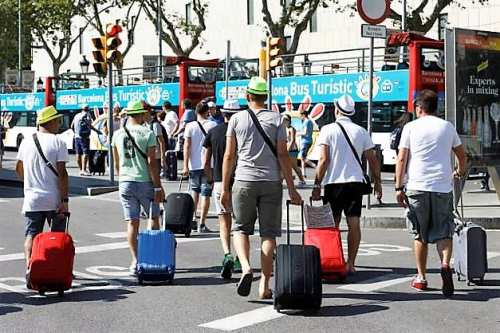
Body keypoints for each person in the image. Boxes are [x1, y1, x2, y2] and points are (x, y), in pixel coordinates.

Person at [221, 76, 302, 299]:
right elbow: (283, 155)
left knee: (240, 228)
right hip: (271, 182)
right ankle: (264, 285)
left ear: (247, 96)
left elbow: (229, 156)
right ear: (265, 97)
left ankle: (246, 267)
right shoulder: (277, 119)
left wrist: (226, 188)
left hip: (243, 180)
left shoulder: (236, 119)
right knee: (269, 235)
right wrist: (293, 190)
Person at [395, 89, 466, 298]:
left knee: (420, 233)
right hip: (443, 187)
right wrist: (459, 172)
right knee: (444, 231)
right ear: (437, 107)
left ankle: (421, 277)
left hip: (417, 186)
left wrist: (399, 187)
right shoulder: (447, 127)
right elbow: (462, 155)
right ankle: (445, 264)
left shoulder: (410, 127)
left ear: (419, 108)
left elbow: (401, 159)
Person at [311, 94, 382, 276]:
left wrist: (317, 184)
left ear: (336, 110)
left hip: (334, 184)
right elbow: (372, 159)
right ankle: (351, 263)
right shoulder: (360, 131)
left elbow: (324, 160)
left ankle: (335, 259)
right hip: (354, 183)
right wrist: (378, 181)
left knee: (333, 224)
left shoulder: (328, 130)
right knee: (354, 223)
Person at [111, 100, 165, 275]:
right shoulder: (147, 133)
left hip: (125, 181)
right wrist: (158, 186)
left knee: (132, 223)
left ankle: (135, 260)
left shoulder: (117, 135)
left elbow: (117, 162)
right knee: (153, 217)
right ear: (141, 115)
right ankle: (150, 256)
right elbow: (151, 163)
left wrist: (122, 178)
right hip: (145, 181)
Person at [15, 106, 69, 279]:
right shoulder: (58, 141)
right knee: (57, 237)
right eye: (58, 121)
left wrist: (29, 183)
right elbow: (62, 173)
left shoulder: (26, 141)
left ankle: (29, 269)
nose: (59, 124)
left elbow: (18, 167)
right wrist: (64, 200)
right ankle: (57, 268)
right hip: (53, 198)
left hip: (32, 198)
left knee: (31, 234)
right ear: (51, 121)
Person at [203, 99, 242, 279]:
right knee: (240, 223)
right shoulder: (242, 132)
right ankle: (240, 258)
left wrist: (210, 179)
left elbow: (205, 160)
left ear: (222, 113)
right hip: (240, 181)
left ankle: (227, 254)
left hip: (219, 182)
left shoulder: (213, 132)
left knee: (224, 221)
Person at [182, 101, 217, 232]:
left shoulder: (190, 126)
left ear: (196, 112)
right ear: (207, 112)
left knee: (194, 194)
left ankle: (192, 220)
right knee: (206, 195)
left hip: (193, 165)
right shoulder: (213, 125)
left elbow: (187, 146)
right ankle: (202, 224)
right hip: (209, 164)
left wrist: (185, 165)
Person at [70, 104, 102, 176]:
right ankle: (84, 170)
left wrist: (75, 133)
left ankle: (80, 169)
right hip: (85, 137)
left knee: (78, 153)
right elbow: (90, 125)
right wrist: (97, 131)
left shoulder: (76, 115)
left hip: (77, 136)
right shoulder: (87, 115)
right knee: (85, 152)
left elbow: (71, 126)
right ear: (88, 109)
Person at [283, 113, 306, 188]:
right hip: (287, 149)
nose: (285, 122)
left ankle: (302, 180)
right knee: (284, 166)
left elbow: (292, 140)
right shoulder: (284, 129)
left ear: (289, 121)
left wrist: (288, 150)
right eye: (284, 120)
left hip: (292, 150)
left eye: (286, 120)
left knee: (294, 166)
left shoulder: (291, 129)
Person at [296, 109, 316, 177]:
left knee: (303, 158)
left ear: (304, 115)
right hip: (308, 141)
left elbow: (305, 132)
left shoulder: (306, 122)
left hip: (305, 142)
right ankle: (303, 173)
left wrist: (298, 134)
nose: (300, 117)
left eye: (300, 115)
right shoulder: (310, 122)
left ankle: (315, 166)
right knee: (302, 158)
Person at [149, 107, 167, 177]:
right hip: (148, 155)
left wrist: (163, 158)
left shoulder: (155, 125)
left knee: (155, 177)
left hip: (156, 155)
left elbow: (161, 142)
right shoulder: (144, 125)